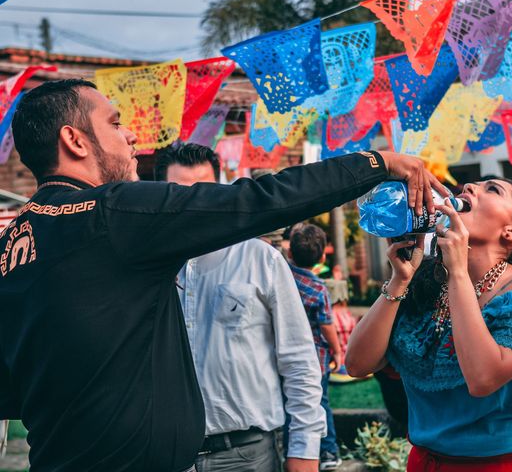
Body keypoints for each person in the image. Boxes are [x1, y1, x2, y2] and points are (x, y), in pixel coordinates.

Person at [0, 79, 439, 472]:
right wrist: (375, 163)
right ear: (75, 140)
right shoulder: (112, 214)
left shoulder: (15, 241)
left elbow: (11, 391)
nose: (131, 134)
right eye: (114, 123)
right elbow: (258, 201)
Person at [347, 179, 512, 471]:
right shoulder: (426, 281)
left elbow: (483, 378)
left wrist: (458, 271)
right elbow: (357, 364)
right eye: (472, 185)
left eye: (492, 190)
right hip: (424, 461)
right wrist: (400, 279)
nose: (471, 186)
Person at [155, 143, 325, 472]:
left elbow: (299, 361)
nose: (193, 204)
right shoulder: (145, 268)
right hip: (165, 453)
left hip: (248, 454)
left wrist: (306, 450)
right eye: (179, 194)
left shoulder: (260, 259)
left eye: (204, 192)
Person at [288, 224, 342, 471]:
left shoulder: (283, 279)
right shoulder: (318, 288)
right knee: (320, 404)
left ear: (290, 253)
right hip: (316, 359)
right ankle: (328, 452)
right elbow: (326, 325)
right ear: (322, 257)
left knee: (291, 406)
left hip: (287, 358)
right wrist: (338, 350)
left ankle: (292, 450)